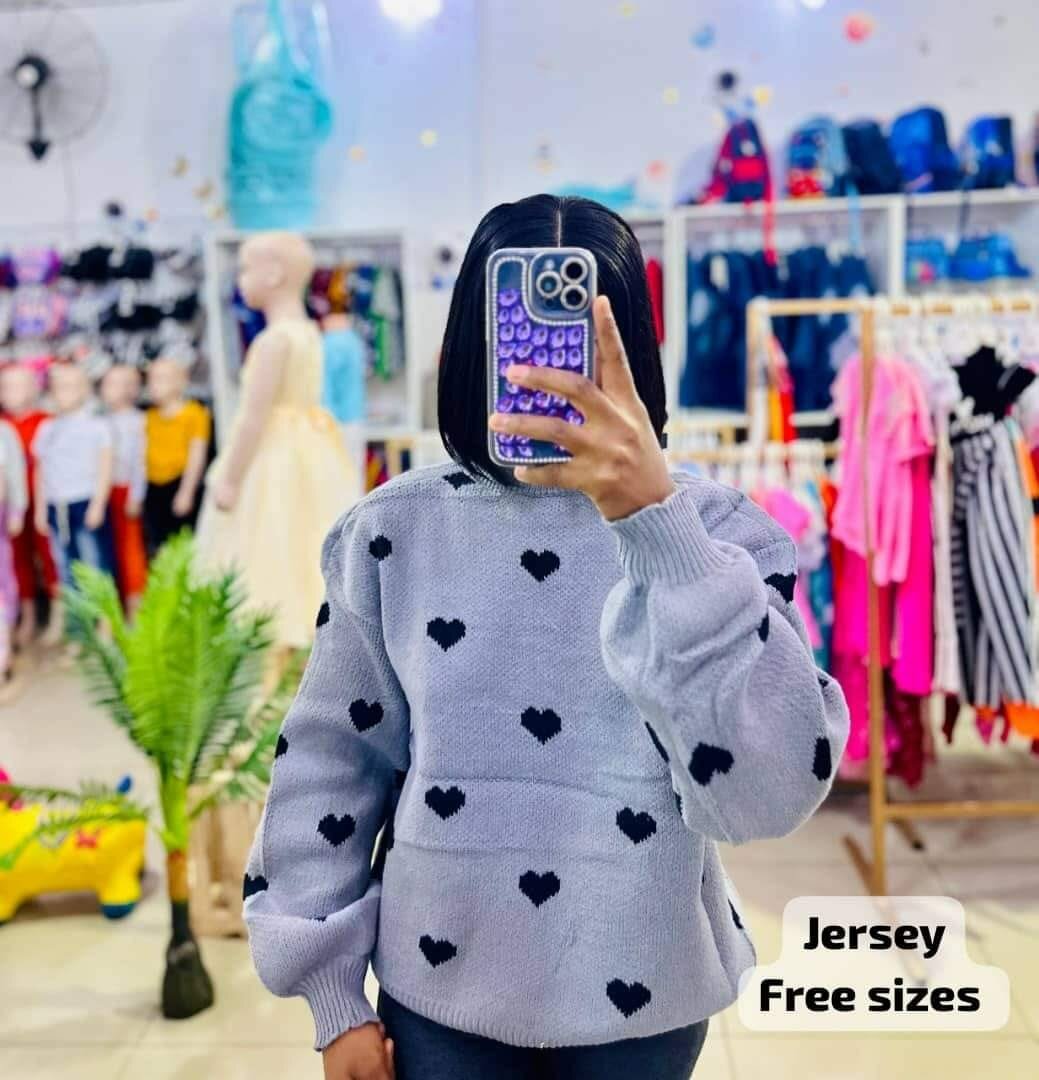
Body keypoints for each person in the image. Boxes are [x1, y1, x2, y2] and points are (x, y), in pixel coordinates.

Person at [244, 196, 849, 1080]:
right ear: (474, 344)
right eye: (519, 333)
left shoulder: (718, 535)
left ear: (631, 352)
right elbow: (330, 762)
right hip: (440, 988)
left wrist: (656, 526)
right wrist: (330, 995)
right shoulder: (393, 532)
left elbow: (767, 794)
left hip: (643, 993)